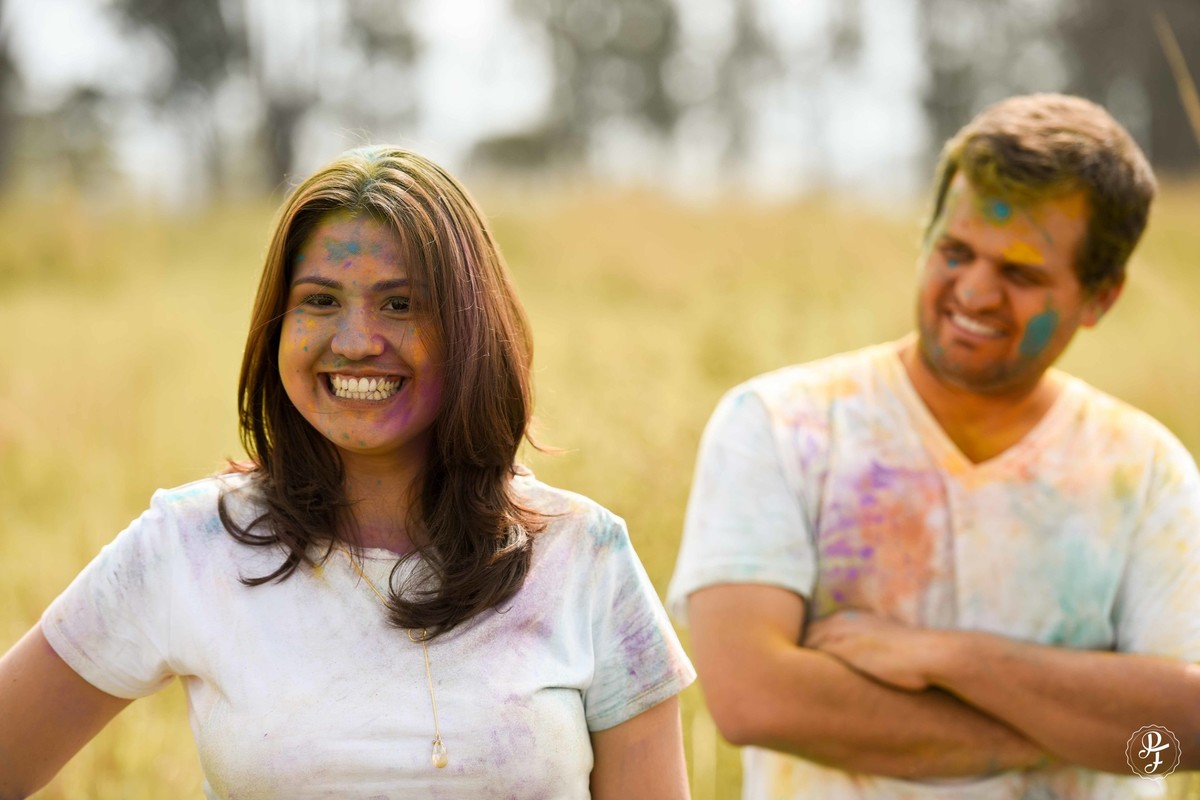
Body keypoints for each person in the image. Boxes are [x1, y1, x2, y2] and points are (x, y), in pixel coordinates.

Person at [0, 146, 695, 799]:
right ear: (277, 326)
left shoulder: (584, 557)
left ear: (471, 327)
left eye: (401, 303)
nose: (357, 342)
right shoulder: (190, 544)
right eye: (321, 301)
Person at [669, 93, 1200, 799]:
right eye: (955, 252)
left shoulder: (1147, 470)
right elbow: (753, 698)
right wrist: (1079, 728)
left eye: (1021, 274)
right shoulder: (779, 425)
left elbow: (1184, 733)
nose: (974, 293)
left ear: (1100, 297)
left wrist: (949, 658)